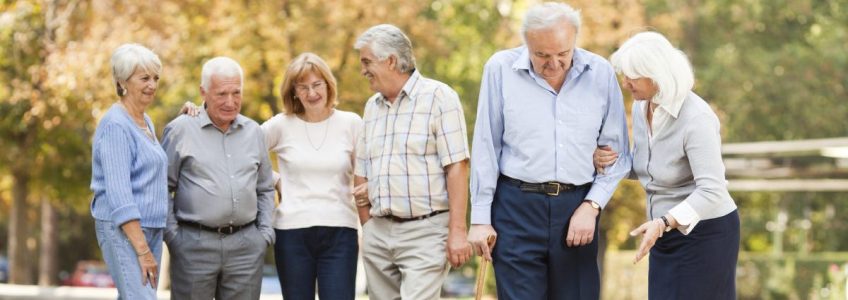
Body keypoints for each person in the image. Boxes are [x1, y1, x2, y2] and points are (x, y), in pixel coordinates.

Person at [467, 2, 631, 299]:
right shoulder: (499, 69)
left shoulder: (601, 73)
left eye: (562, 54)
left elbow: (617, 157)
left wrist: (592, 205)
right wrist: (480, 219)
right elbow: (485, 147)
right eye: (541, 55)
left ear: (574, 41)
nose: (553, 64)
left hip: (577, 208)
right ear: (527, 43)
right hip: (515, 208)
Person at [593, 31, 740, 299]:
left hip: (706, 234)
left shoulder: (696, 118)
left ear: (656, 74)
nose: (625, 83)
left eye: (632, 77)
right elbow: (645, 166)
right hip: (661, 231)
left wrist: (664, 222)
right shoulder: (642, 107)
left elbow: (713, 189)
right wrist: (607, 161)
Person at [352, 24, 473, 300]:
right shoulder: (372, 106)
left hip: (426, 232)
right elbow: (362, 169)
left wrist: (457, 231)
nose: (363, 70)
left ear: (391, 61)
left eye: (367, 61)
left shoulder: (440, 98)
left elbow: (457, 166)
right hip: (378, 232)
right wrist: (367, 225)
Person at [162, 56, 275, 300]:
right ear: (203, 92)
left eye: (236, 93)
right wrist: (174, 238)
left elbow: (265, 188)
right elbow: (161, 190)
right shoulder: (180, 130)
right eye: (222, 94)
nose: (230, 102)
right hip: (193, 246)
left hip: (246, 248)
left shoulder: (254, 132)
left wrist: (263, 234)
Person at [263, 53, 363, 300]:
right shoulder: (280, 125)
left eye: (317, 85)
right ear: (294, 91)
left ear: (328, 85)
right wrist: (275, 179)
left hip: (340, 232)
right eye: (303, 87)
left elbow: (364, 178)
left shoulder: (351, 123)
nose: (311, 93)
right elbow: (241, 150)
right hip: (292, 232)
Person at [90, 43, 167, 299]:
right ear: (122, 81)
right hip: (124, 230)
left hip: (151, 229)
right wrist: (143, 250)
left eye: (155, 78)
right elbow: (120, 195)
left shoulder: (145, 121)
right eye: (144, 78)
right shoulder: (116, 126)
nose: (152, 85)